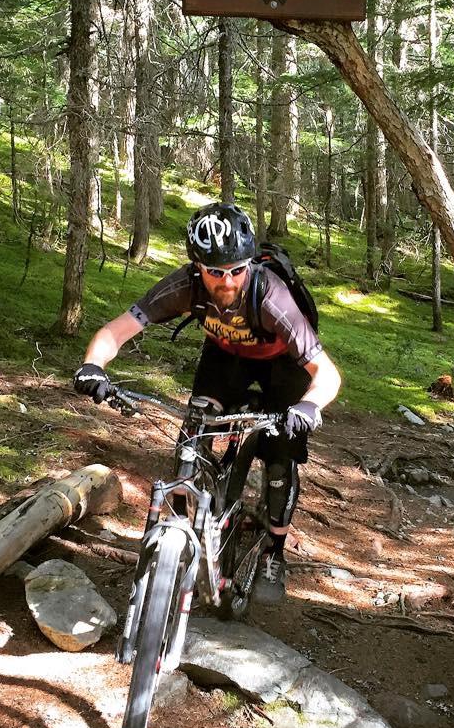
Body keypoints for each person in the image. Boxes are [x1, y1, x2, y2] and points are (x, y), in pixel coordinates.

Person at [73, 202, 341, 604]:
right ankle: (179, 543)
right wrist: (93, 365)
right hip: (226, 357)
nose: (228, 280)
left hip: (282, 366)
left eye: (237, 269)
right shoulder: (186, 286)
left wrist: (308, 407)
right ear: (198, 266)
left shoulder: (271, 296)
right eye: (216, 271)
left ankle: (274, 551)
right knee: (192, 435)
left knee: (280, 453)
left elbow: (327, 373)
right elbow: (117, 329)